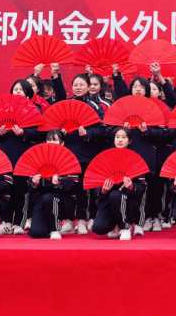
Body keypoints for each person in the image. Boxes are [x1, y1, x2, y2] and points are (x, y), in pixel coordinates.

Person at [57, 73, 105, 236]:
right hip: (66, 154)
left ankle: (83, 219)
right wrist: (60, 133)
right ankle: (68, 220)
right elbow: (53, 128)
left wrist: (87, 133)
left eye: (81, 85)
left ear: (88, 86)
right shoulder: (65, 105)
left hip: (86, 153)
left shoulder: (95, 106)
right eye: (75, 85)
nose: (78, 88)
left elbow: (102, 130)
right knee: (67, 188)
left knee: (84, 189)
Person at [0, 79, 42, 235]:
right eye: (15, 89)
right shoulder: (3, 109)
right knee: (6, 188)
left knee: (22, 189)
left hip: (25, 155)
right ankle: (5, 222)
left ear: (28, 93)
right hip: (6, 154)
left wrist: (24, 133)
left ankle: (20, 223)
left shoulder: (35, 109)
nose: (17, 91)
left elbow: (41, 132)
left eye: (21, 89)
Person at [122, 76, 167, 235]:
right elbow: (112, 132)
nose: (137, 89)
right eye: (134, 86)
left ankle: (152, 217)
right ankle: (130, 220)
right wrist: (124, 130)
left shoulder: (154, 108)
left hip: (149, 153)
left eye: (141, 86)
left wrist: (147, 131)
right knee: (130, 187)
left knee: (151, 187)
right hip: (128, 153)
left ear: (147, 90)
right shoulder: (124, 107)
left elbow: (164, 134)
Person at [92, 126, 147, 242]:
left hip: (128, 200)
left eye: (123, 137)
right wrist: (102, 190)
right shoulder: (105, 158)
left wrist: (132, 187)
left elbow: (142, 187)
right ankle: (116, 223)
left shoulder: (135, 159)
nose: (120, 140)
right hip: (108, 200)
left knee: (116, 195)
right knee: (98, 228)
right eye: (117, 137)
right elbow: (95, 184)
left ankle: (125, 227)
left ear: (130, 140)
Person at [27, 130, 79, 240]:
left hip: (64, 200)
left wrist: (59, 184)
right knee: (37, 233)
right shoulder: (38, 159)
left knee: (49, 198)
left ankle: (55, 229)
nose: (51, 142)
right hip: (42, 200)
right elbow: (31, 190)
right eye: (49, 139)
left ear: (62, 142)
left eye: (55, 140)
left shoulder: (68, 158)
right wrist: (35, 184)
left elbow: (74, 185)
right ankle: (48, 224)